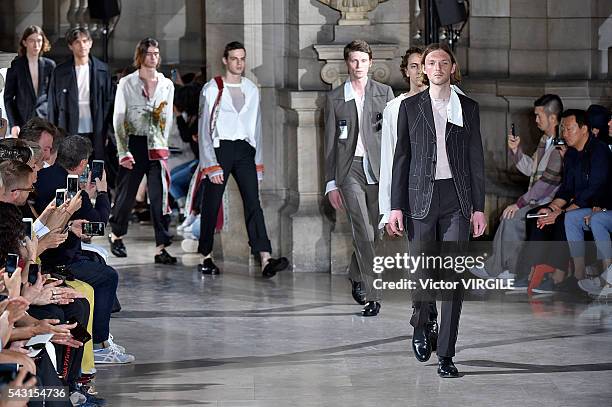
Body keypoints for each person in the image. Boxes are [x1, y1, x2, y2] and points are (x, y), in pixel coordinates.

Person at [388, 43, 486, 377]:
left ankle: (446, 354)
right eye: (431, 62)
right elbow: (401, 158)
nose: (438, 67)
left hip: (456, 200)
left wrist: (479, 208)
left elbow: (476, 160)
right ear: (424, 69)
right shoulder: (410, 107)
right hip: (419, 198)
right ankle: (422, 319)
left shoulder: (468, 108)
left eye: (444, 62)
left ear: (452, 67)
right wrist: (395, 206)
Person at [196, 41, 289, 278]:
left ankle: (265, 257)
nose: (239, 63)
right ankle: (205, 256)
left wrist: (258, 162)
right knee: (211, 203)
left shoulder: (251, 88)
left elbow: (256, 127)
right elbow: (204, 128)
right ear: (225, 60)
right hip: (220, 149)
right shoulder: (213, 88)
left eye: (242, 58)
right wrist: (209, 164)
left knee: (253, 203)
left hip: (245, 150)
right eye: (235, 58)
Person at [324, 40, 395, 316]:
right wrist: (331, 183)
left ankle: (355, 273)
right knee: (363, 230)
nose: (358, 66)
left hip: (379, 170)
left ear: (370, 62)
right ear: (346, 63)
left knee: (376, 231)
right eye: (354, 61)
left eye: (363, 61)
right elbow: (329, 144)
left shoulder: (384, 93)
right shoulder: (335, 98)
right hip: (348, 170)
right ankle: (372, 293)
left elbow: (393, 137)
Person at [515, 109, 611, 293]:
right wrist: (551, 208)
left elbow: (594, 190)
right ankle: (532, 270)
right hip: (577, 203)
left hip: (597, 204)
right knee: (537, 216)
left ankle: (559, 275)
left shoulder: (599, 151)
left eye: (569, 129)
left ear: (584, 129)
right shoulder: (572, 154)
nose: (565, 134)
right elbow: (566, 189)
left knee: (561, 220)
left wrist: (561, 212)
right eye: (563, 130)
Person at [471, 95, 564, 279]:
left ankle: (507, 270)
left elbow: (546, 184)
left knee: (512, 217)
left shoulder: (559, 147)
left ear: (553, 118)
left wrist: (520, 204)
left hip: (547, 202)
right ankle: (501, 267)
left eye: (539, 116)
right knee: (508, 216)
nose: (536, 120)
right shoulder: (545, 141)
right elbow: (532, 169)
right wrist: (516, 151)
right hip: (536, 199)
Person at [108, 38, 177, 264]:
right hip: (133, 143)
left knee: (159, 198)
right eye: (149, 53)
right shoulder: (127, 83)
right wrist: (122, 150)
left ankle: (161, 246)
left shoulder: (167, 84)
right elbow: (119, 117)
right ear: (141, 55)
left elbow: (167, 118)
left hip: (157, 145)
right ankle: (116, 235)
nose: (154, 57)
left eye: (156, 53)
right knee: (126, 195)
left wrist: (164, 145)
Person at [378, 46, 427, 232]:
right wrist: (387, 210)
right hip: (409, 191)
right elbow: (389, 159)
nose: (420, 71)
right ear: (406, 71)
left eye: (424, 65)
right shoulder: (394, 108)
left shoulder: (449, 99)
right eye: (414, 66)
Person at [47, 27, 111, 160]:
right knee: (71, 164)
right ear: (70, 46)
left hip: (96, 126)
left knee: (95, 165)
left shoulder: (102, 70)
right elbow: (53, 105)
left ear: (90, 43)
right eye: (77, 42)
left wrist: (109, 133)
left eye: (85, 41)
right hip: (69, 125)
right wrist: (52, 134)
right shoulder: (60, 72)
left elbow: (109, 103)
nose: (82, 45)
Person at [3, 25, 55, 137]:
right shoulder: (16, 65)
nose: (36, 45)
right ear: (24, 43)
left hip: (45, 120)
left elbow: (53, 95)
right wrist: (13, 124)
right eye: (32, 40)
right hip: (23, 121)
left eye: (39, 40)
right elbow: (8, 98)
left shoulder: (50, 65)